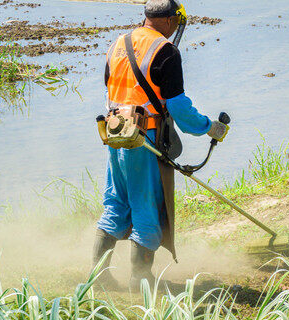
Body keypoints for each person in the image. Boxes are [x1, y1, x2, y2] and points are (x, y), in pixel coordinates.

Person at [93, 0, 229, 289]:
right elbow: (178, 107)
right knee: (147, 207)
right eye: (178, 22)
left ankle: (99, 278)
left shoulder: (119, 42)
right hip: (145, 139)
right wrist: (209, 127)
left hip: (115, 133)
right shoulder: (165, 50)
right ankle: (140, 280)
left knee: (115, 202)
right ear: (169, 20)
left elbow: (111, 86)